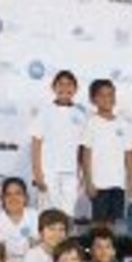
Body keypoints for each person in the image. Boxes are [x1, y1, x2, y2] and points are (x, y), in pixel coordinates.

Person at [31, 70, 86, 215]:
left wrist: (81, 174)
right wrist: (38, 173)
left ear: (75, 89)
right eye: (60, 84)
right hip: (49, 171)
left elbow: (82, 148)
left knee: (68, 213)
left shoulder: (80, 115)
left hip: (71, 172)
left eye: (69, 84)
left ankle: (66, 238)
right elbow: (36, 143)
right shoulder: (45, 112)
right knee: (48, 213)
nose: (65, 88)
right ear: (53, 87)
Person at [81, 79, 131, 231]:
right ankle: (96, 252)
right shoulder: (91, 123)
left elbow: (128, 154)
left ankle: (109, 253)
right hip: (99, 184)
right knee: (98, 223)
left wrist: (131, 180)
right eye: (101, 95)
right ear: (93, 99)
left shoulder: (123, 124)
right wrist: (88, 182)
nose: (107, 98)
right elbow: (86, 154)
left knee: (112, 222)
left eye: (110, 94)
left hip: (118, 183)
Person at [0, 177, 38, 262]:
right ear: (2, 199)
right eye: (8, 194)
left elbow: (35, 246)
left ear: (25, 197)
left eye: (18, 193)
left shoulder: (34, 216)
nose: (13, 198)